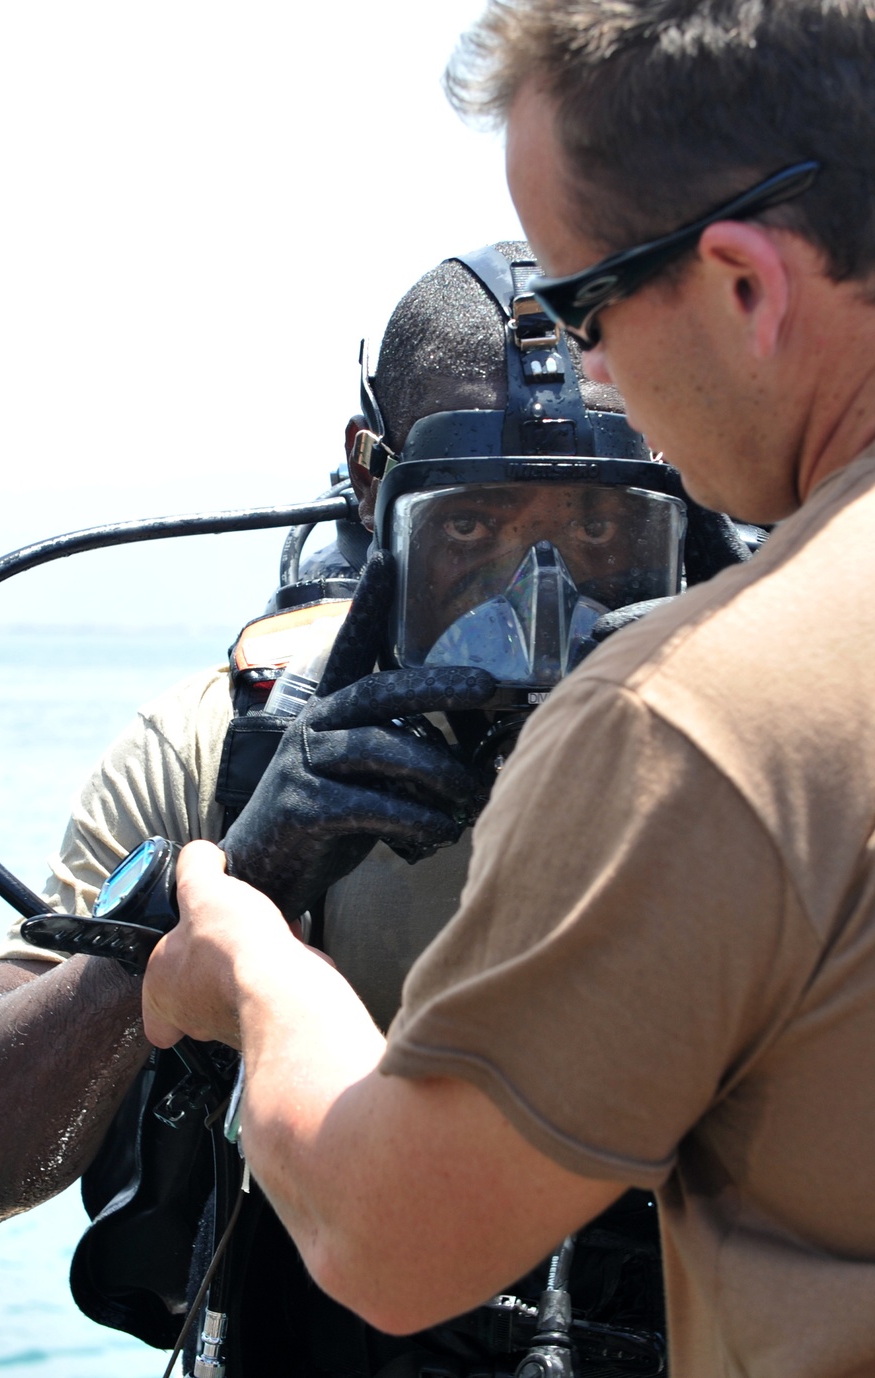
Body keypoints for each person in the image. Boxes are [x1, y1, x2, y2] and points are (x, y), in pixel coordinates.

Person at [129, 4, 875, 1377]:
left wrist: (247, 958)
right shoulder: (237, 721)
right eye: (475, 524)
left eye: (590, 309)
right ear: (379, 484)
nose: (593, 375)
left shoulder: (692, 714)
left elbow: (392, 1239)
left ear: (746, 285)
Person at [0, 242, 703, 1375]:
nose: (542, 609)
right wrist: (224, 891)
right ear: (374, 480)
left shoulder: (765, 763)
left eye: (602, 530)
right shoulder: (224, 751)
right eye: (472, 528)